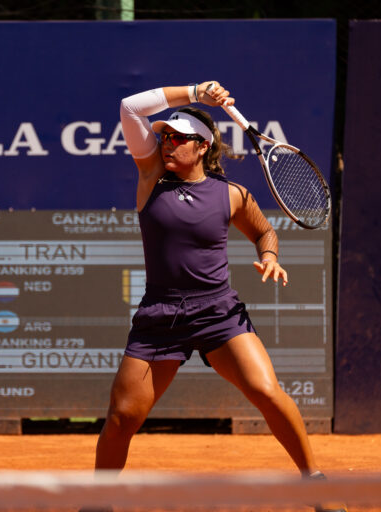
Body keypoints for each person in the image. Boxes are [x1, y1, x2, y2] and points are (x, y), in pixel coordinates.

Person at [87, 82, 346, 512]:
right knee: (122, 418)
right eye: (164, 136)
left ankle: (314, 484)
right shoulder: (151, 176)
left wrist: (269, 256)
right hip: (160, 316)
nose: (166, 142)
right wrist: (192, 91)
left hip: (219, 313)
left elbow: (265, 231)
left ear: (203, 147)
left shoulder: (232, 195)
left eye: (177, 137)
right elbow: (130, 107)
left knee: (266, 391)